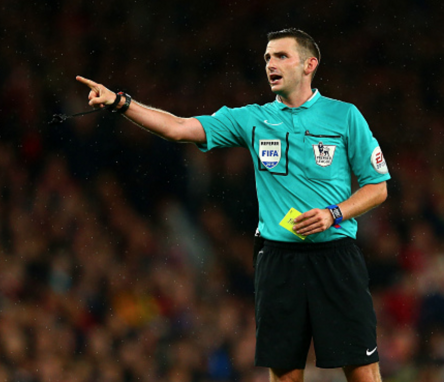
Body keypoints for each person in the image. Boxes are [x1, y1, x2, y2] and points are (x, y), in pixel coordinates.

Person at [76, 28, 389, 382]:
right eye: (268, 57)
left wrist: (334, 214)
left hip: (335, 257)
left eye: (281, 56)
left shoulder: (344, 116)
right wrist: (122, 103)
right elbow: (178, 128)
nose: (271, 63)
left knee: (362, 371)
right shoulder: (252, 119)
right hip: (278, 261)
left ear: (309, 65)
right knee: (285, 374)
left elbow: (377, 188)